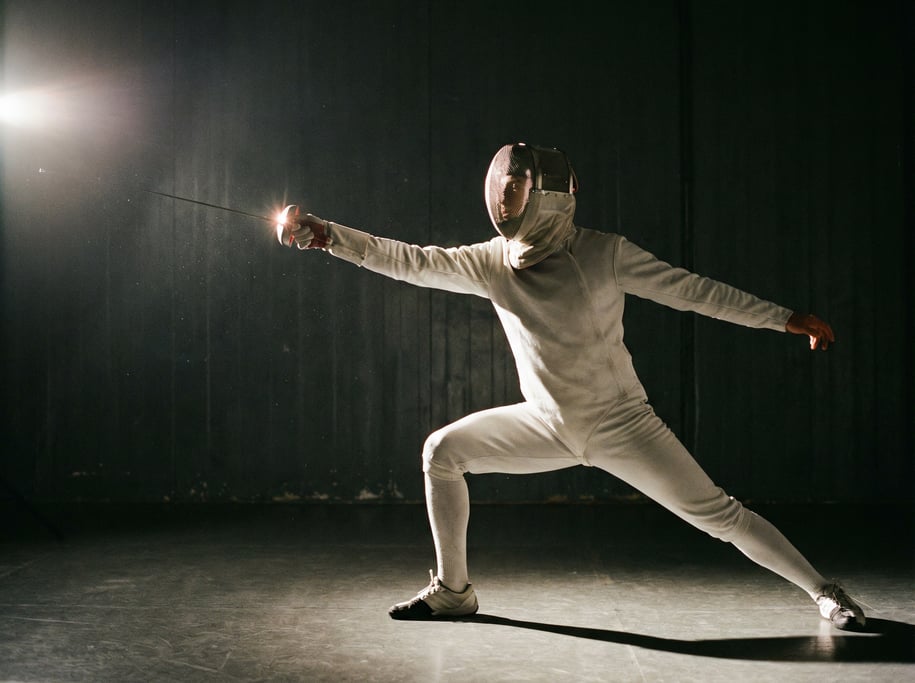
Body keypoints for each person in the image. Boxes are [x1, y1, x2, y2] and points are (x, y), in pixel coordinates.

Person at [281, 142, 865, 630]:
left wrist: (783, 317)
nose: (505, 199)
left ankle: (822, 591)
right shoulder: (491, 261)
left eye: (517, 189)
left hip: (623, 424)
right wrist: (328, 234)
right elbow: (410, 260)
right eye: (503, 188)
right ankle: (454, 591)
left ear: (547, 197)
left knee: (720, 515)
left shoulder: (605, 254)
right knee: (442, 452)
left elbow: (695, 291)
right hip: (546, 423)